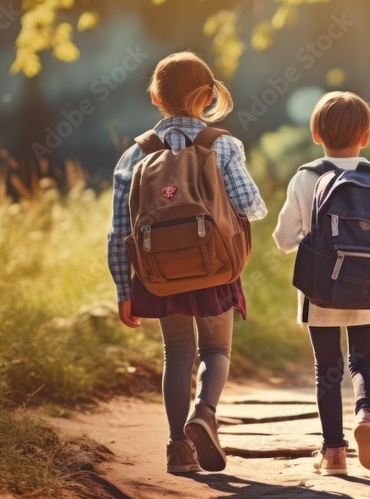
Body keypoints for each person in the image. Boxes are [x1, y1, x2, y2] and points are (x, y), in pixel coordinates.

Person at [107, 51, 267, 474]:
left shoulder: (136, 153)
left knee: (176, 353)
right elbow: (252, 207)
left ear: (156, 97)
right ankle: (206, 413)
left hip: (158, 274)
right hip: (215, 265)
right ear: (209, 96)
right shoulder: (224, 144)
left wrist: (125, 289)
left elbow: (118, 231)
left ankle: (178, 447)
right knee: (216, 349)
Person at [273, 92, 370, 476]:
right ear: (366, 135)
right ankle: (368, 415)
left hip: (322, 292)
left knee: (327, 367)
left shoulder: (306, 176)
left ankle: (334, 453)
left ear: (316, 133)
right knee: (364, 360)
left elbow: (285, 239)